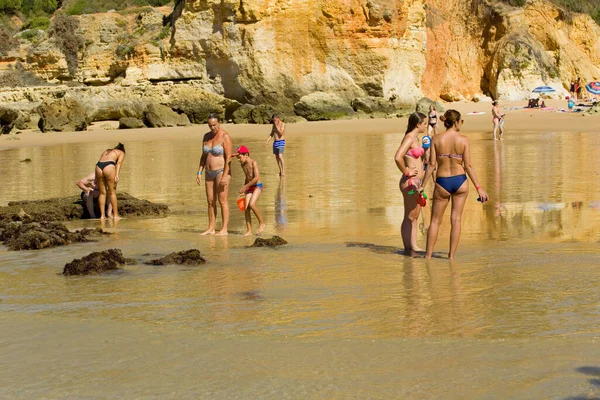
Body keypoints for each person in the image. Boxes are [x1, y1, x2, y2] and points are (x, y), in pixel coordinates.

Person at [418, 110, 489, 259]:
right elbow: (468, 166)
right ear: (456, 122)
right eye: (460, 121)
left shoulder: (436, 139)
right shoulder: (463, 140)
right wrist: (479, 188)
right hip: (460, 181)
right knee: (456, 220)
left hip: (442, 182)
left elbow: (431, 165)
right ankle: (451, 257)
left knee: (435, 221)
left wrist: (423, 185)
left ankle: (428, 257)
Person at [394, 112, 428, 253]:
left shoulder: (416, 138)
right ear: (418, 124)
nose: (426, 126)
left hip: (416, 182)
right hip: (410, 183)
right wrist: (406, 171)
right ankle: (411, 247)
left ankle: (411, 246)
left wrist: (425, 151)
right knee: (412, 215)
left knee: (413, 214)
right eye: (424, 123)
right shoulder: (409, 138)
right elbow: (398, 157)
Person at [196, 113, 232, 235]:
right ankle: (211, 227)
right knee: (210, 201)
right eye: (210, 125)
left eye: (215, 125)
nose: (213, 128)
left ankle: (224, 229)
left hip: (221, 171)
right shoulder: (206, 137)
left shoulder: (225, 136)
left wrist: (225, 176)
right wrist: (199, 172)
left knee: (222, 201)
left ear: (219, 122)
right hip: (208, 172)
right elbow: (203, 156)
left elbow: (228, 159)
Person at [234, 145, 265, 236]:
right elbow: (247, 176)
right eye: (237, 158)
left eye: (239, 157)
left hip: (257, 186)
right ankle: (249, 230)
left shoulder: (253, 162)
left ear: (246, 154)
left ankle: (262, 223)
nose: (239, 160)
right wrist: (245, 189)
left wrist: (245, 187)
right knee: (246, 208)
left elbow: (256, 178)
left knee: (252, 204)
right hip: (249, 187)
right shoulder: (242, 164)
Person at [95, 143, 126, 221]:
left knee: (102, 193)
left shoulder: (107, 151)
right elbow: (118, 163)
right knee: (112, 192)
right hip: (109, 166)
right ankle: (115, 215)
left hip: (98, 166)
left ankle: (102, 216)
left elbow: (100, 160)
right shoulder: (121, 153)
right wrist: (117, 174)